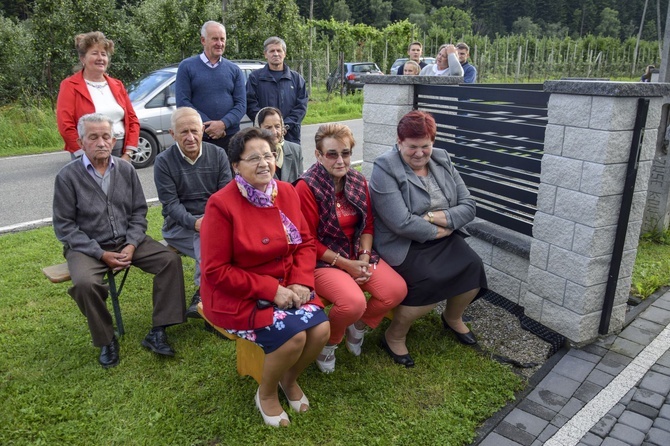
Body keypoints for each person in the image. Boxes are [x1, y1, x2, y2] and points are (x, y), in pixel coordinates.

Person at [200, 127, 330, 427]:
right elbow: (215, 271)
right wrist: (271, 290)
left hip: (289, 284)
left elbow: (306, 242)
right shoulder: (221, 204)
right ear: (236, 165)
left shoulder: (285, 191)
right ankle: (267, 393)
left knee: (321, 330)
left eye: (269, 155)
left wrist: (300, 281)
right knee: (293, 337)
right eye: (253, 158)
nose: (264, 163)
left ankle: (289, 378)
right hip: (239, 295)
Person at [52, 113, 186, 368]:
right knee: (84, 284)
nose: (101, 142)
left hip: (128, 240)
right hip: (87, 248)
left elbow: (138, 211)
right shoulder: (67, 177)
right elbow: (65, 227)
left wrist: (132, 244)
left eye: (106, 136)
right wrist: (100, 254)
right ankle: (106, 339)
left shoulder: (125, 169)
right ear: (81, 142)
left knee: (169, 261)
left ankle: (158, 330)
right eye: (93, 137)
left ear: (114, 140)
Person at [369, 110, 487, 367]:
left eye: (426, 146)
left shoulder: (442, 159)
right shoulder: (384, 167)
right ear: (399, 142)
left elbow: (469, 206)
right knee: (430, 282)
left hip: (441, 235)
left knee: (473, 267)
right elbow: (400, 222)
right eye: (412, 147)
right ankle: (394, 335)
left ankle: (452, 317)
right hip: (404, 245)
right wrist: (441, 228)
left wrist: (432, 218)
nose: (420, 153)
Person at [294, 123, 407, 373]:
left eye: (345, 153)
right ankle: (329, 343)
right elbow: (306, 242)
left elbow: (368, 225)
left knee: (396, 290)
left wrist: (364, 258)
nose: (340, 160)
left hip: (356, 253)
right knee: (353, 303)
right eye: (332, 154)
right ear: (318, 155)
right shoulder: (306, 187)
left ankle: (359, 326)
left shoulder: (357, 181)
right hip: (320, 260)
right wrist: (347, 265)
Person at [153, 107, 232, 319]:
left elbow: (226, 196)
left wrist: (211, 221)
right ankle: (208, 299)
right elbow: (170, 205)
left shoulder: (218, 154)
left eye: (195, 131)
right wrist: (197, 223)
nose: (190, 137)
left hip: (214, 222)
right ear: (172, 134)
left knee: (215, 236)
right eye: (183, 132)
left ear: (202, 131)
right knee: (206, 239)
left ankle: (204, 296)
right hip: (179, 227)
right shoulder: (163, 162)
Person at [56, 31, 139, 161]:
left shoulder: (117, 85)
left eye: (104, 54)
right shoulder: (70, 85)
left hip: (119, 151)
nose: (100, 58)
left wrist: (128, 153)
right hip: (87, 153)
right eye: (94, 53)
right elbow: (65, 125)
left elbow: (133, 120)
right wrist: (83, 155)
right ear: (83, 58)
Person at [175, 21, 246, 150]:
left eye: (222, 39)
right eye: (215, 39)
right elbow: (183, 102)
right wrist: (209, 127)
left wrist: (223, 124)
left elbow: (241, 104)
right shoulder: (186, 67)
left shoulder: (234, 70)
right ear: (203, 40)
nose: (220, 43)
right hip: (200, 138)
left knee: (231, 171)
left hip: (230, 138)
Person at [246, 36, 308, 144]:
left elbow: (301, 107)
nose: (276, 54)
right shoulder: (255, 78)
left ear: (284, 53)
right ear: (265, 54)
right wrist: (267, 126)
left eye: (279, 50)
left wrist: (285, 126)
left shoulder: (297, 79)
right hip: (263, 136)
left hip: (291, 135)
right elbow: (250, 104)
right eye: (272, 51)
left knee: (290, 160)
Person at [253, 106, 304, 182]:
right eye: (268, 127)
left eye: (277, 126)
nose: (274, 132)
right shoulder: (253, 154)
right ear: (258, 129)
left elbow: (300, 183)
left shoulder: (295, 150)